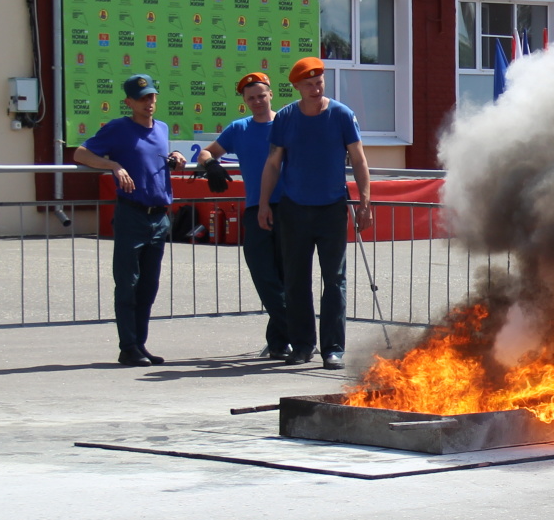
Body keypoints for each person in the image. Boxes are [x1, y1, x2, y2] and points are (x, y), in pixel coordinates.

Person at [260, 57, 373, 369]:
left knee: (334, 279)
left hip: (332, 208)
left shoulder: (341, 115)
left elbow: (359, 160)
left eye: (319, 82)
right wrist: (264, 203)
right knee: (296, 280)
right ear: (296, 86)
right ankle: (302, 345)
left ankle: (333, 348)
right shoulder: (284, 118)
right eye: (308, 84)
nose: (315, 87)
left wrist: (365, 202)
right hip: (294, 209)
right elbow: (273, 164)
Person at [73, 74, 187, 366]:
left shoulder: (161, 128)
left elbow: (157, 158)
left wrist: (174, 157)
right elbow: (81, 153)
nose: (148, 103)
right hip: (131, 214)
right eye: (141, 99)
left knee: (149, 285)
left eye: (151, 97)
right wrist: (113, 164)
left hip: (159, 215)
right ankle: (128, 346)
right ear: (129, 102)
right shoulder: (119, 128)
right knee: (128, 283)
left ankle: (140, 343)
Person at [198, 73, 289, 358]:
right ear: (244, 101)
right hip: (256, 208)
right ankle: (295, 328)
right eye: (251, 98)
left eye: (261, 95)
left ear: (271, 94)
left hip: (291, 208)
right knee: (263, 273)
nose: (257, 102)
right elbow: (204, 152)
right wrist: (211, 164)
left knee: (288, 276)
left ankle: (278, 343)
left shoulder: (287, 122)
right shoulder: (239, 129)